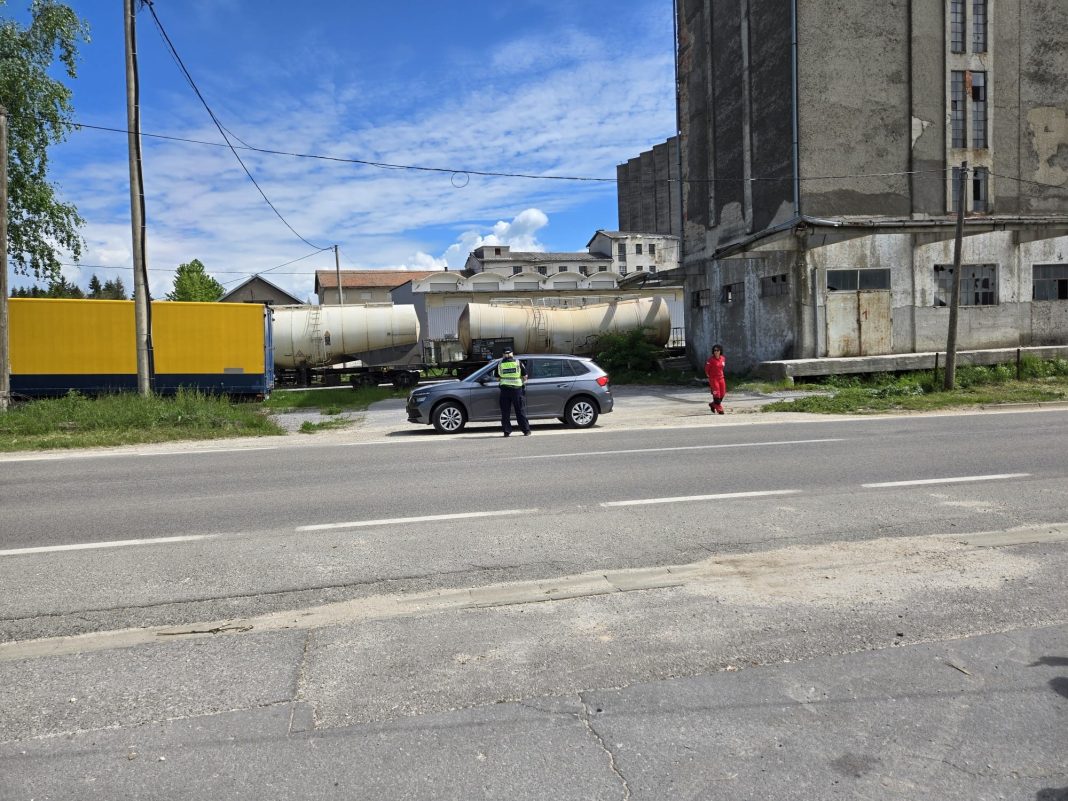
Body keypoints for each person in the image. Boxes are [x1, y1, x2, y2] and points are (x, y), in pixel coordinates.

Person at [497, 348, 531, 436]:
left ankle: (506, 431)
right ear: (512, 354)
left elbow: (497, 378)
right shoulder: (518, 362)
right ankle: (526, 431)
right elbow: (525, 376)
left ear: (503, 354)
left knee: (505, 412)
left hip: (505, 390)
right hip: (517, 390)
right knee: (520, 410)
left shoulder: (500, 364)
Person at [704, 344, 726, 415]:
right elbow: (706, 369)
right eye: (714, 350)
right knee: (717, 394)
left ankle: (713, 404)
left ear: (720, 351)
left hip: (721, 378)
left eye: (717, 350)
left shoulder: (723, 358)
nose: (716, 352)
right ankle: (719, 409)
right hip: (714, 379)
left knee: (722, 394)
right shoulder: (711, 360)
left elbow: (722, 367)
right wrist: (709, 376)